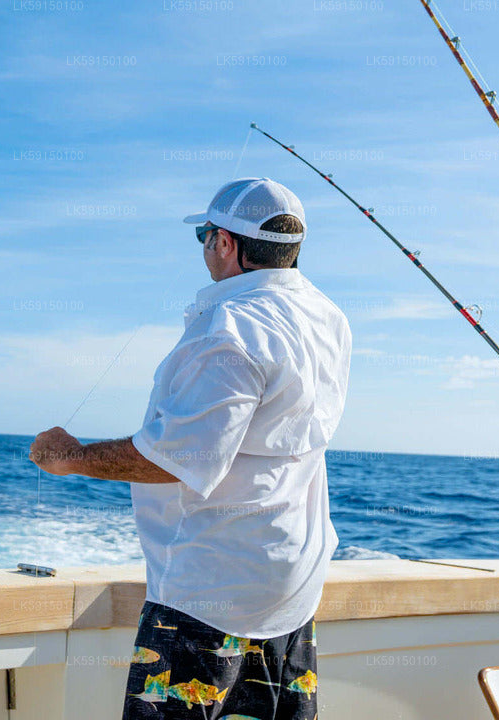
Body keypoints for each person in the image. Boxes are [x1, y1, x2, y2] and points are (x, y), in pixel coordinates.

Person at [30, 177, 352, 720]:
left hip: (209, 595)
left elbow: (177, 458)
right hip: (292, 587)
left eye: (205, 233)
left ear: (225, 243)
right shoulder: (329, 320)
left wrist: (70, 458)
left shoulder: (230, 329)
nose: (204, 245)